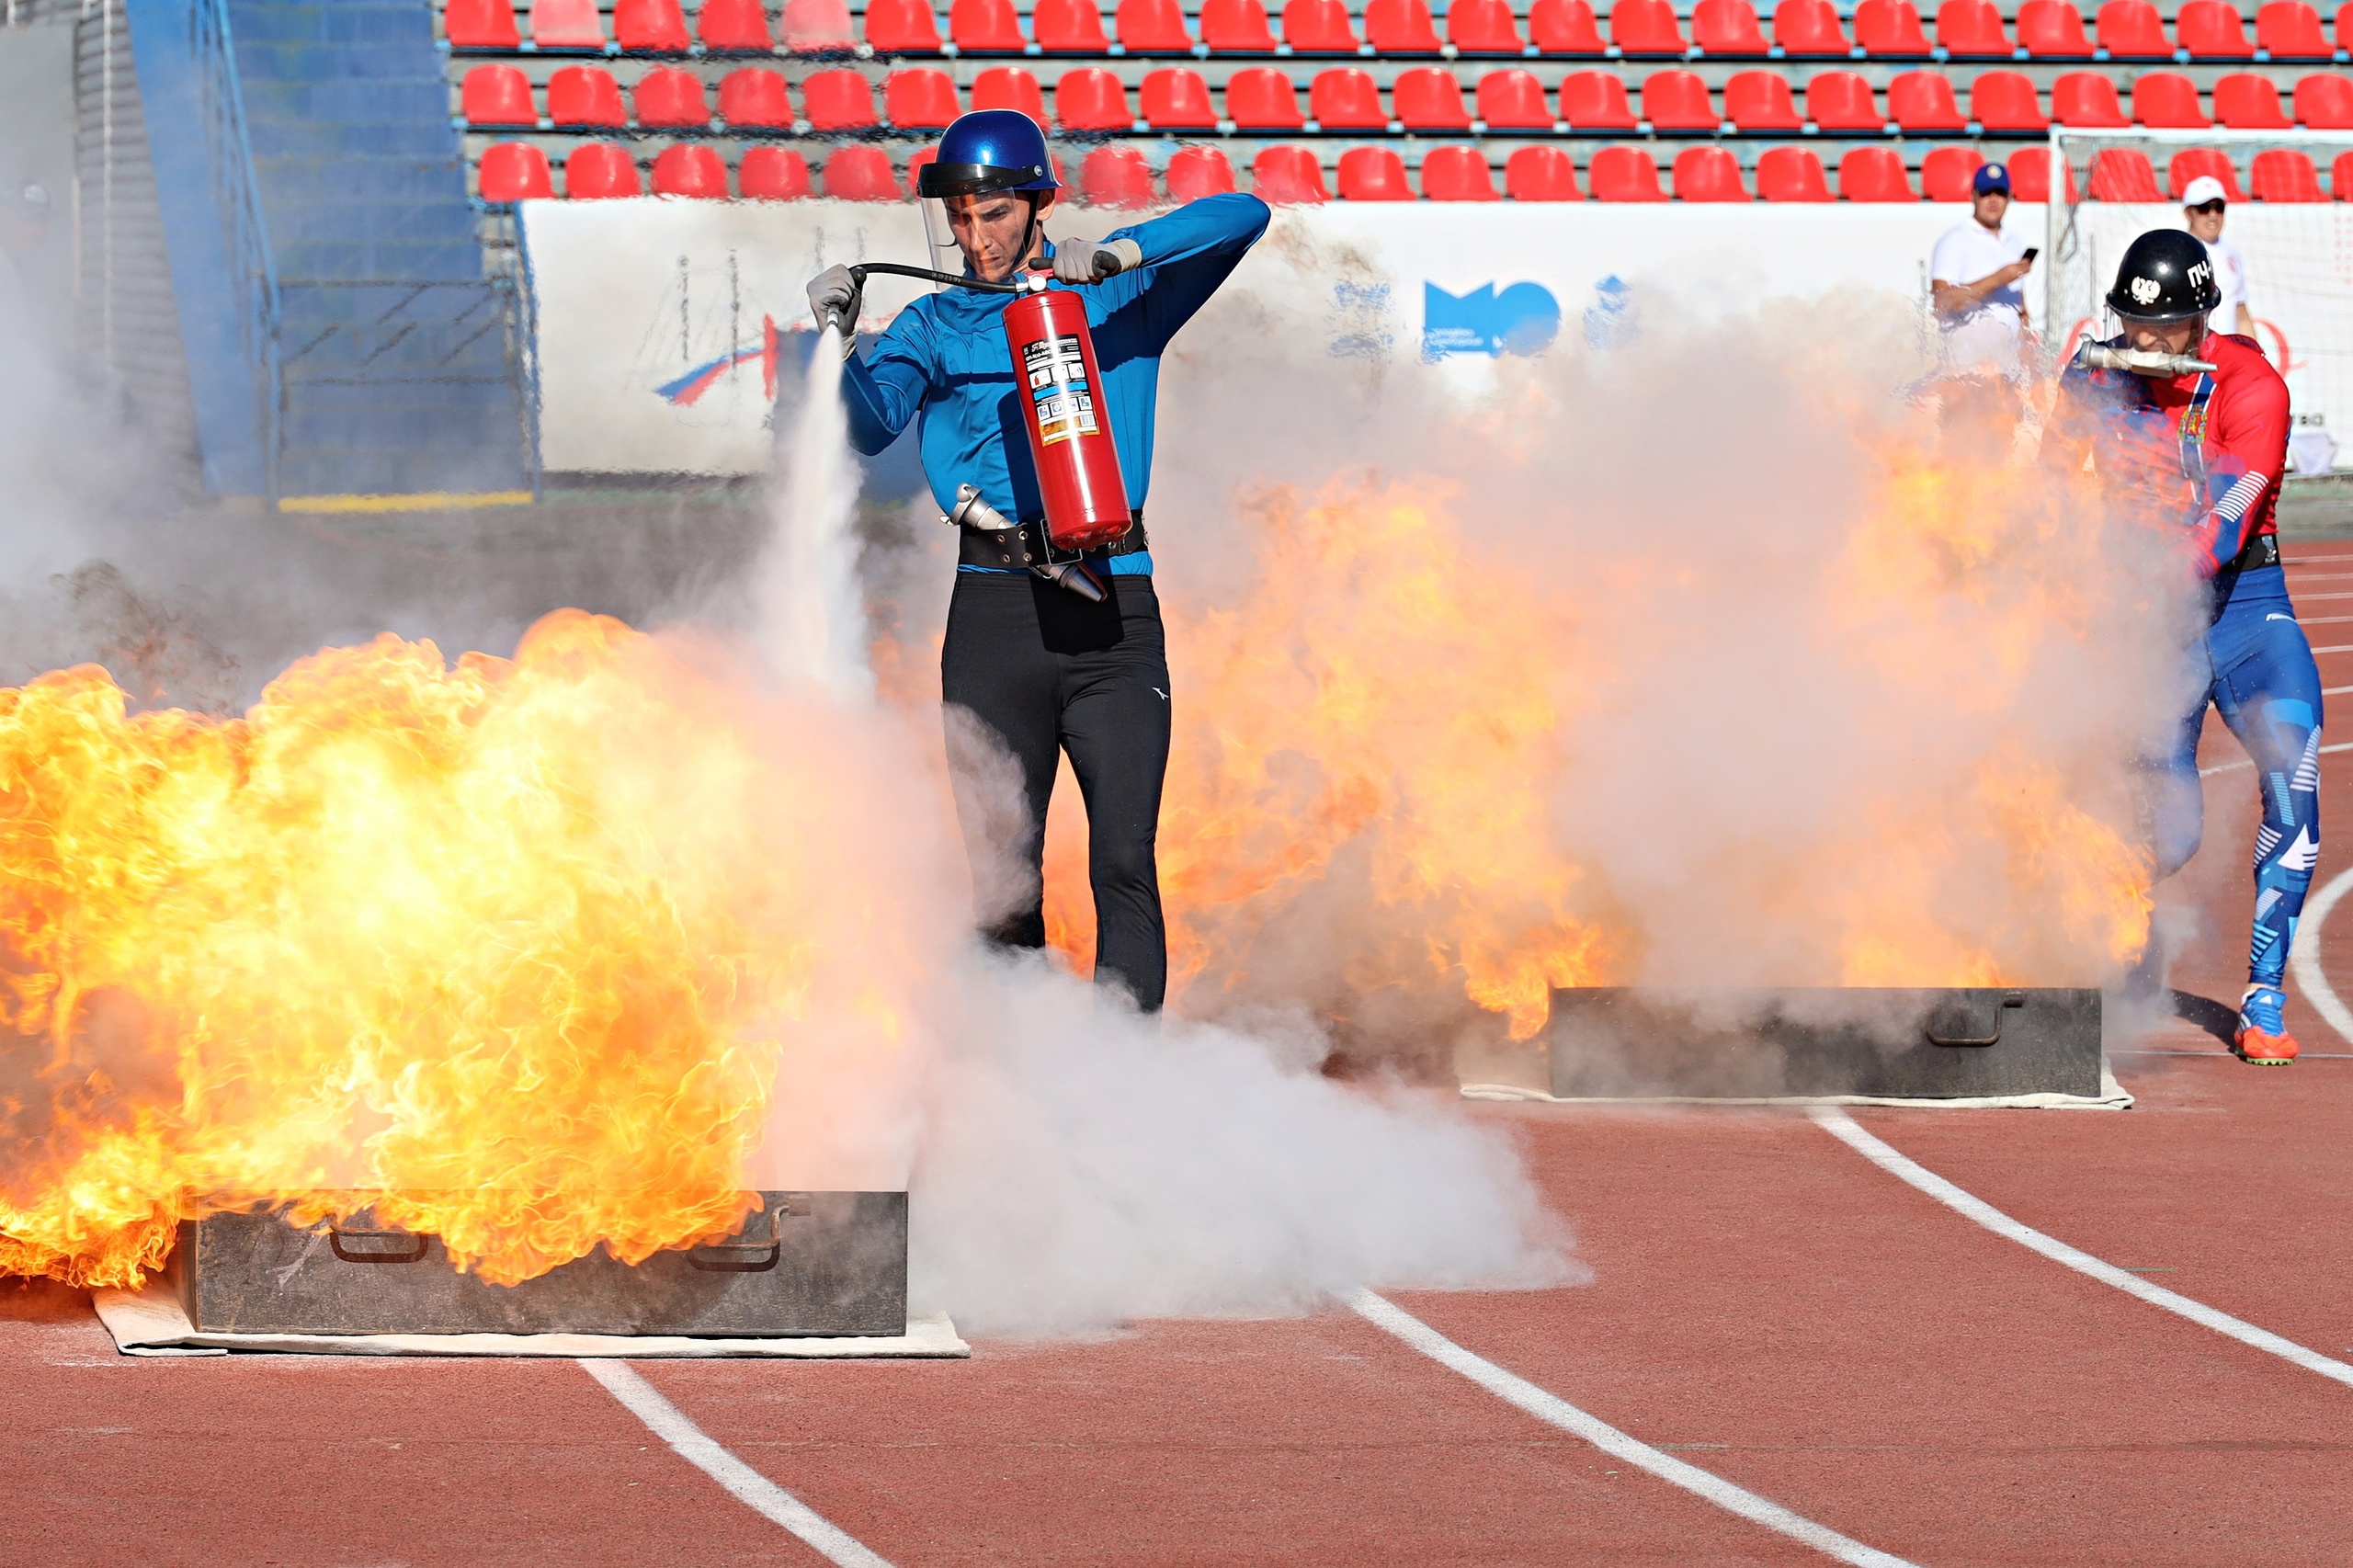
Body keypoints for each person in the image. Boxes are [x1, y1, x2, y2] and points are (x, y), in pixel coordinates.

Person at [805, 111, 1268, 1012]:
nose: (973, 237)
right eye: (961, 217)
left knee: (1123, 858)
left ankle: (1122, 1079)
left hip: (1112, 613)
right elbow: (866, 427)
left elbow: (1243, 214)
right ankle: (1018, 1086)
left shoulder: (1113, 300)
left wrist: (1125, 254)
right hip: (993, 620)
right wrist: (837, 339)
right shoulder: (932, 323)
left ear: (1038, 203)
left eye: (993, 214)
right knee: (1001, 873)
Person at [2052, 229, 2313, 1064]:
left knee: (2295, 778)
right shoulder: (2100, 371)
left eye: (2159, 330)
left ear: (2200, 318)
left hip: (2242, 605)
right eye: (2130, 323)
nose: (2141, 342)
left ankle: (2265, 994)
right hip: (2148, 615)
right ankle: (2125, 940)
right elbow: (2051, 479)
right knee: (2168, 830)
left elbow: (2230, 521)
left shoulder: (2252, 385)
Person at [1929, 163, 2035, 379]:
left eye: (2000, 193)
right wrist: (1999, 278)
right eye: (1987, 193)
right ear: (1973, 196)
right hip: (1967, 373)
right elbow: (1941, 303)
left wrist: (2030, 363)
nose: (1994, 200)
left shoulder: (2013, 242)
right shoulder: (1954, 240)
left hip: (2009, 371)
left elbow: (2020, 311)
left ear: (2010, 197)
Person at [2179, 174, 2259, 343]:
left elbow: (2240, 312)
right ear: (2189, 213)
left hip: (2227, 354)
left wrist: (2256, 353)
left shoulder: (2233, 254)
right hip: (2192, 353)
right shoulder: (2178, 252)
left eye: (2219, 207)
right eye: (2204, 208)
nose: (2213, 215)